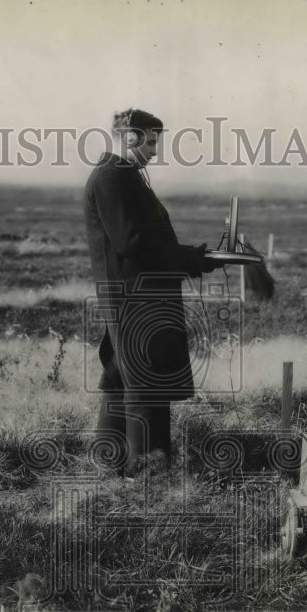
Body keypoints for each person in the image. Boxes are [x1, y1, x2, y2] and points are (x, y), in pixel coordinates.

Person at [83, 108, 216, 476]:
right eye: (151, 140)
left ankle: (108, 462)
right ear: (129, 136)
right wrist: (191, 258)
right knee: (146, 385)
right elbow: (133, 242)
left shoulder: (122, 175)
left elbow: (140, 241)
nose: (156, 150)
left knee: (120, 378)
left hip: (131, 296)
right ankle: (147, 478)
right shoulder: (114, 177)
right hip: (135, 299)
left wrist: (194, 258)